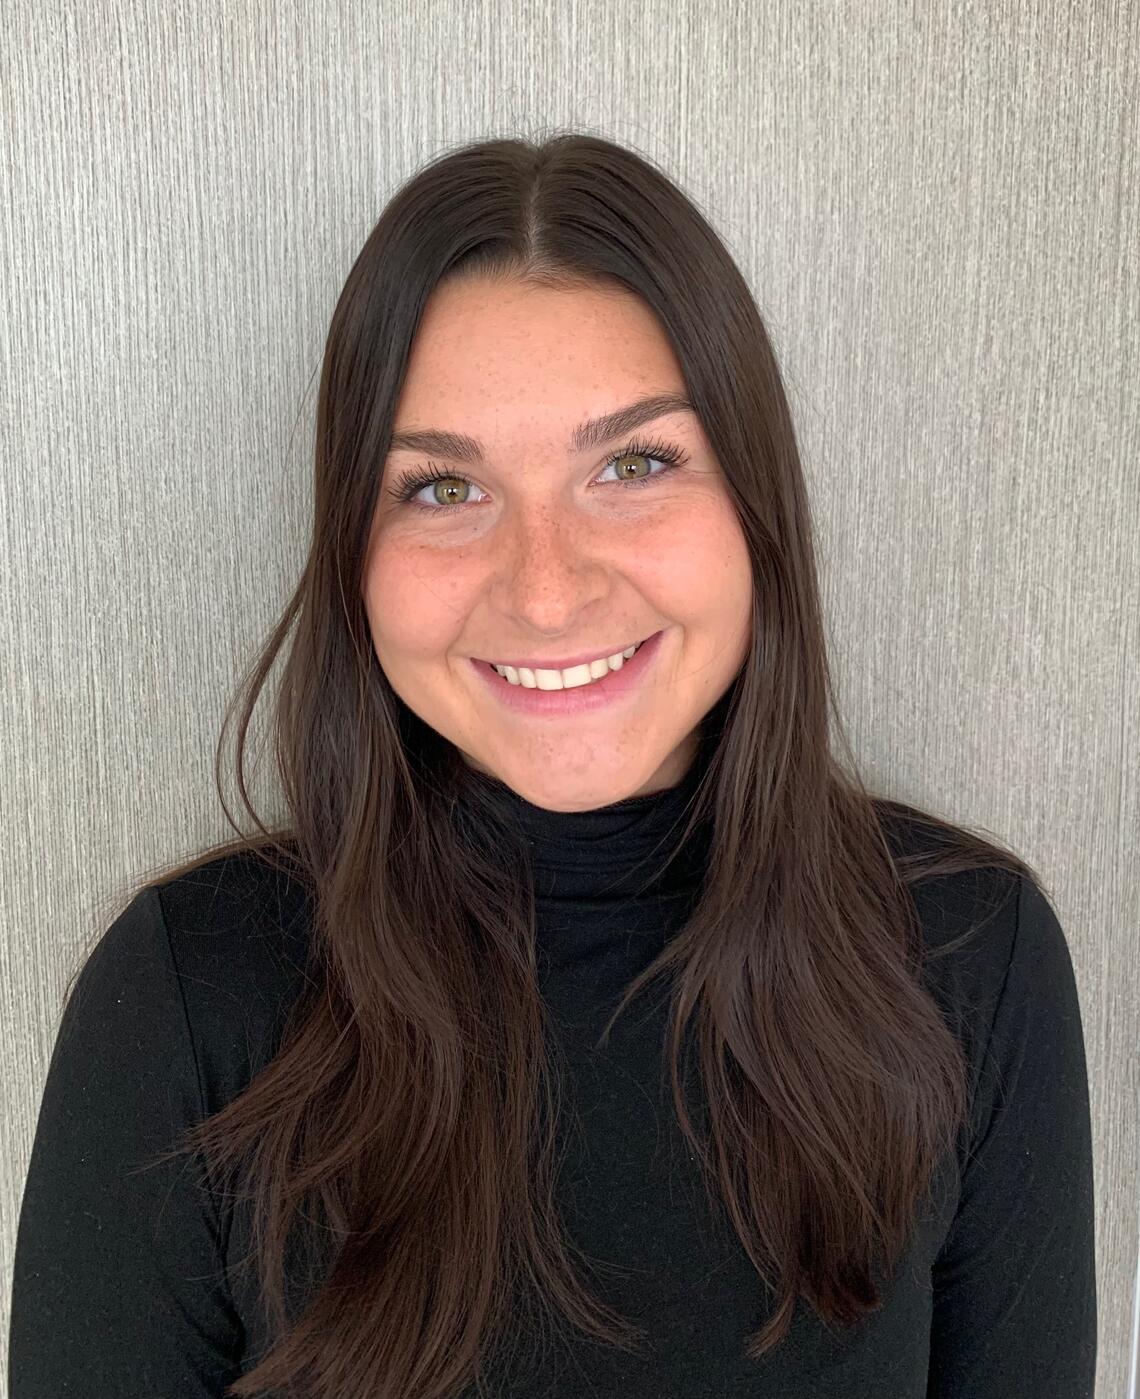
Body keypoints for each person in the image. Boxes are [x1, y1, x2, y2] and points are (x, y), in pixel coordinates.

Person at [8, 131, 1097, 1399]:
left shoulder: (970, 953)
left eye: (634, 463)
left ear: (756, 505)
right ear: (354, 548)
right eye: (441, 488)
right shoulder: (188, 997)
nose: (545, 588)